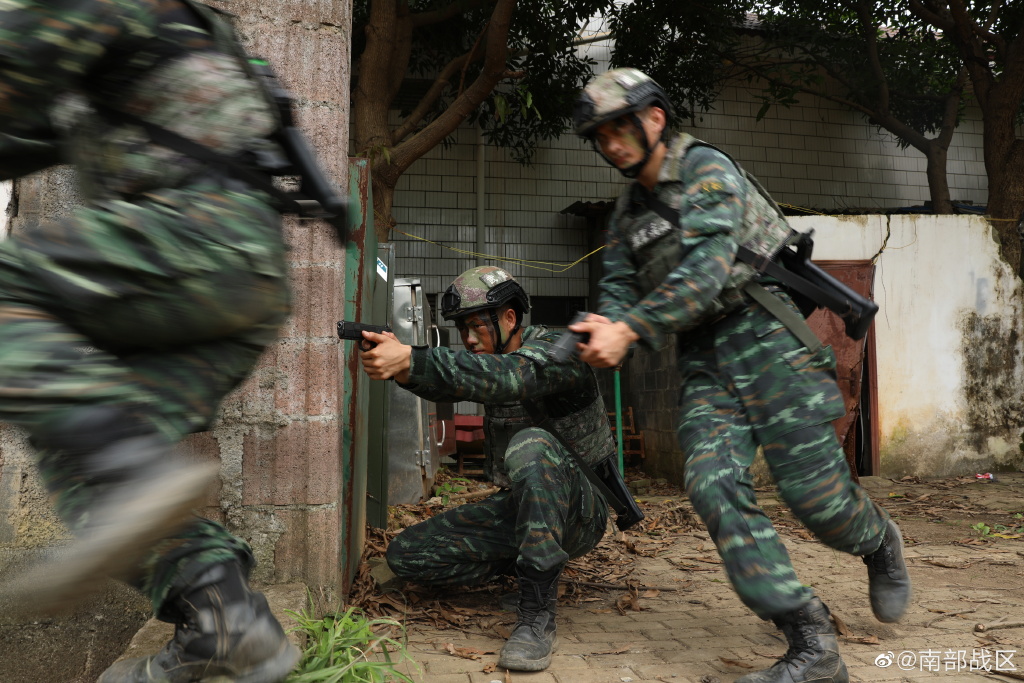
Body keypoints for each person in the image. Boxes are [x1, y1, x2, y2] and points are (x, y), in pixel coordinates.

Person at [569, 68, 911, 683]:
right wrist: (603, 328)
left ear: (654, 118)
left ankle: (877, 540)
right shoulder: (626, 216)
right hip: (704, 358)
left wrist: (630, 329)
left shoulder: (706, 169)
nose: (611, 143)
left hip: (768, 335)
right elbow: (618, 287)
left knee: (818, 502)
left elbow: (705, 273)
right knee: (710, 482)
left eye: (620, 126)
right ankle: (810, 639)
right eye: (600, 135)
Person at [0, 1, 304, 681]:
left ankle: (131, 463)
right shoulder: (172, 37)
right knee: (87, 473)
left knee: (113, 455)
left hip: (200, 243)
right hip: (241, 288)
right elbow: (28, 133)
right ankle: (224, 617)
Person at [359, 265, 612, 672]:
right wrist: (402, 365)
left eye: (477, 326)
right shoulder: (492, 358)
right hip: (526, 507)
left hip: (581, 512)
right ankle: (528, 566)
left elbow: (513, 378)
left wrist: (412, 360)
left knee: (533, 446)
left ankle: (536, 615)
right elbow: (456, 381)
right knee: (407, 556)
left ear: (509, 318)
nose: (468, 339)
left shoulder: (557, 353)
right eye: (462, 329)